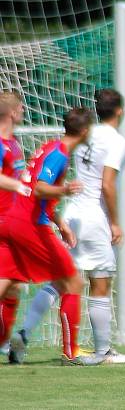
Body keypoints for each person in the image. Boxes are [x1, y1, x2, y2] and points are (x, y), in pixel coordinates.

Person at [12, 90, 125, 365]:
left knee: (60, 281)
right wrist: (115, 221)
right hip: (93, 216)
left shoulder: (84, 136)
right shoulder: (115, 141)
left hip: (73, 212)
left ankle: (25, 332)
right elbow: (106, 184)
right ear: (119, 111)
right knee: (100, 282)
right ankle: (103, 352)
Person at [0, 107, 97, 366]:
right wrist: (65, 189)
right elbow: (41, 188)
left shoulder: (49, 146)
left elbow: (33, 188)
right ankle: (71, 352)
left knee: (6, 283)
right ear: (85, 131)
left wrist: (61, 223)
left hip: (12, 220)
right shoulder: (59, 154)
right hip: (29, 226)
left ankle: (20, 338)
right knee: (72, 282)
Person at [0, 92, 31, 359]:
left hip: (13, 223)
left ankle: (3, 343)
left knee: (14, 287)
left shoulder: (15, 143)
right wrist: (20, 186)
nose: (24, 110)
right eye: (21, 107)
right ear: (12, 112)